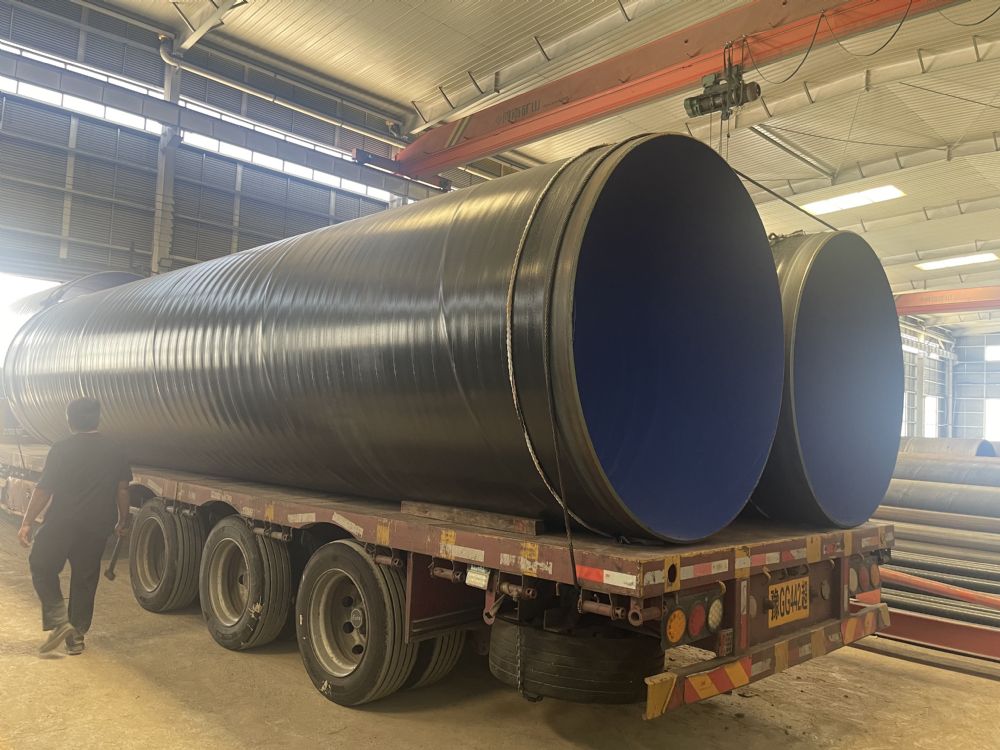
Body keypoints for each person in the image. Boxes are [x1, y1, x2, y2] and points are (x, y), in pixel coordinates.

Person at [17, 398, 132, 655]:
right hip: (97, 525)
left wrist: (27, 522)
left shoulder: (61, 448)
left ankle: (60, 622)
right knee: (85, 578)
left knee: (41, 565)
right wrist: (122, 521)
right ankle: (76, 635)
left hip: (61, 523)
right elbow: (123, 489)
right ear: (98, 419)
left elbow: (44, 489)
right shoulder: (116, 449)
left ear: (69, 421)